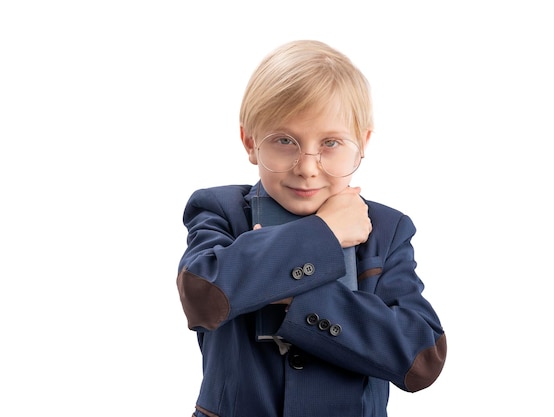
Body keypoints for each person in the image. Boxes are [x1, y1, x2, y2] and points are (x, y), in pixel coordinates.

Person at [176, 39, 446, 417]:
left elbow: (421, 358)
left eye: (331, 142)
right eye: (285, 141)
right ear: (250, 142)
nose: (307, 167)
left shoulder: (387, 229)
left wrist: (296, 297)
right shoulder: (220, 209)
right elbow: (202, 297)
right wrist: (323, 235)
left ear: (362, 144)